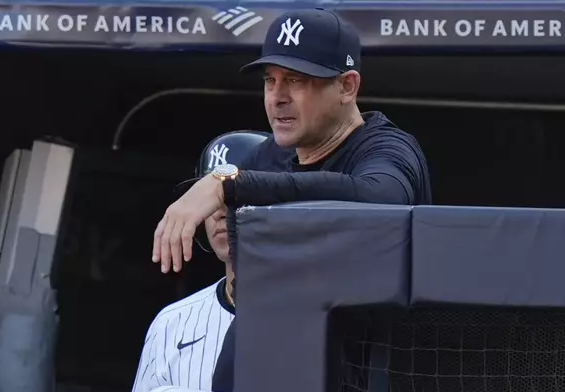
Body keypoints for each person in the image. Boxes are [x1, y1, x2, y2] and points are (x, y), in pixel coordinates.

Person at [150, 8, 433, 392]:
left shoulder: (385, 147)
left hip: (371, 370)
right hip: (276, 365)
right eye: (270, 81)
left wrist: (228, 184)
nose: (277, 98)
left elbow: (382, 197)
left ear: (347, 86)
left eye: (297, 81)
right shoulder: (262, 159)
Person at [132, 131, 270, 392]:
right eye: (208, 199)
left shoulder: (316, 317)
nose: (218, 211)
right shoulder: (171, 323)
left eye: (232, 194)